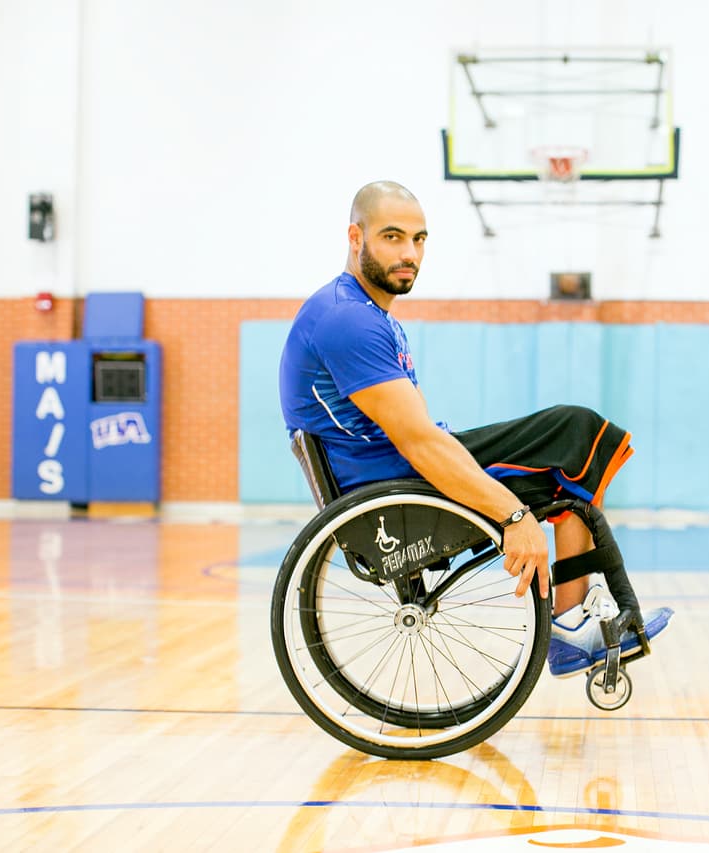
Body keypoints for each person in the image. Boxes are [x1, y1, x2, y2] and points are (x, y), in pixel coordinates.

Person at [278, 180, 671, 677]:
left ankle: (571, 623)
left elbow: (417, 428)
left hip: (392, 469)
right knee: (576, 432)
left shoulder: (372, 318)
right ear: (356, 238)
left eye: (419, 240)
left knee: (577, 440)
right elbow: (417, 441)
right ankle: (571, 624)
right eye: (393, 237)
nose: (410, 253)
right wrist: (512, 517)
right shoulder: (346, 319)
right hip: (391, 485)